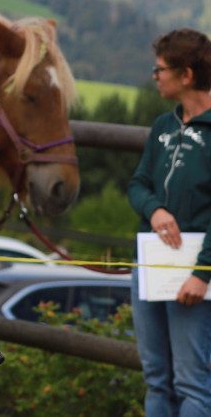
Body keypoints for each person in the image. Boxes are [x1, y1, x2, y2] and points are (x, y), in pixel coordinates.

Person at [127, 28, 211, 417]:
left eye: (160, 69)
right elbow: (138, 184)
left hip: (194, 275)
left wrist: (203, 272)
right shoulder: (163, 125)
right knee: (156, 377)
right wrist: (154, 210)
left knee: (193, 381)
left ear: (187, 75)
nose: (155, 75)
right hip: (150, 263)